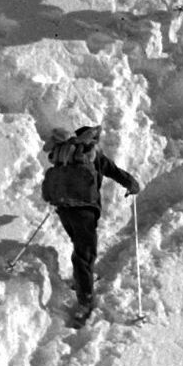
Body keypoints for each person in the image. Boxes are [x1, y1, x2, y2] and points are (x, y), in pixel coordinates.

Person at [40, 125, 141, 325]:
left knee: (80, 247)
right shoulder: (92, 154)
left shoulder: (65, 155)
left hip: (64, 209)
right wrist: (133, 185)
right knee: (85, 255)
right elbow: (115, 172)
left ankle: (82, 281)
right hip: (84, 211)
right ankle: (84, 301)